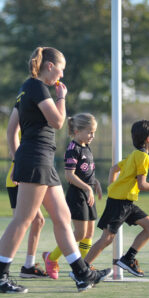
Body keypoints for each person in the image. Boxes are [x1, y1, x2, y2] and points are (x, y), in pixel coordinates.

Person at [0, 46, 110, 294]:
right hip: (36, 158)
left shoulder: (25, 88)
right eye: (60, 70)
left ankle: (82, 274)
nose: (60, 77)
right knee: (23, 219)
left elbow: (12, 130)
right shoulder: (37, 86)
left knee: (62, 218)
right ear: (50, 66)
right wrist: (61, 97)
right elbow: (58, 121)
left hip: (41, 159)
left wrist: (16, 157)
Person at [84, 120, 149, 277]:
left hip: (125, 202)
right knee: (107, 239)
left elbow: (114, 169)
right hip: (120, 203)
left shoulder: (134, 155)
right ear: (148, 139)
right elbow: (142, 185)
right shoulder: (143, 157)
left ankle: (128, 259)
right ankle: (83, 268)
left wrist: (112, 188)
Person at [43, 113, 107, 280]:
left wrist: (95, 183)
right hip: (77, 195)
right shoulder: (73, 148)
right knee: (79, 233)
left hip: (88, 193)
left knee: (89, 233)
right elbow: (69, 175)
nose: (92, 136)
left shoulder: (86, 146)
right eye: (90, 132)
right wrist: (86, 188)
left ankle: (84, 267)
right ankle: (51, 258)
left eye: (94, 132)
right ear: (77, 131)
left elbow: (86, 171)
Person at [0, 131, 47, 279]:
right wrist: (18, 167)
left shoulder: (39, 121)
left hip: (29, 176)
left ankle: (28, 266)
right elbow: (13, 142)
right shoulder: (27, 118)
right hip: (19, 178)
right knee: (20, 223)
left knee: (37, 221)